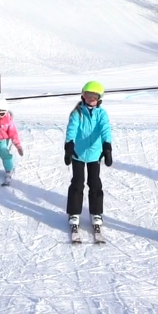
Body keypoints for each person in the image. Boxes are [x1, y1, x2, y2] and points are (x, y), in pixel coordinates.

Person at [64, 81, 113, 232]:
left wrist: (107, 147)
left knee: (95, 183)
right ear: (83, 96)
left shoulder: (101, 114)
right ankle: (74, 212)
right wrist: (69, 146)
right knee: (77, 183)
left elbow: (105, 129)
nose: (91, 99)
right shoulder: (77, 112)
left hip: (94, 154)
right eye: (88, 95)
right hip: (78, 153)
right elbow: (72, 128)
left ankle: (96, 212)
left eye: (94, 97)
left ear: (99, 99)